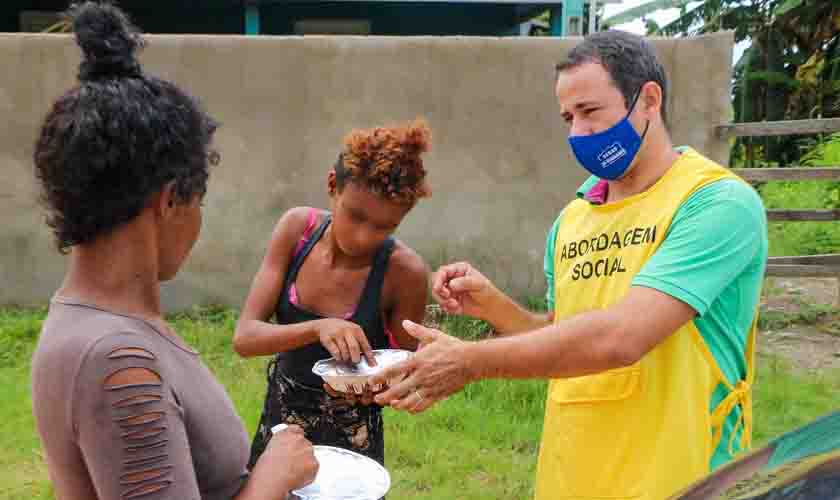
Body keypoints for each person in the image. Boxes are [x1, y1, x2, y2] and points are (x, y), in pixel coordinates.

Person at [373, 30, 769, 500]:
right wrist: (495, 306)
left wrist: (470, 362)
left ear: (648, 100)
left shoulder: (715, 204)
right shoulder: (574, 219)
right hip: (573, 477)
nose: (577, 133)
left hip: (681, 481)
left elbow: (622, 338)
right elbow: (564, 333)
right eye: (567, 117)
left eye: (590, 111)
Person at [30, 3, 317, 499]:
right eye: (198, 201)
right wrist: (274, 476)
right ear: (169, 200)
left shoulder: (97, 325)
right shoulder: (117, 360)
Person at [234, 120, 431, 468]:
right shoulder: (298, 231)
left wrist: (383, 388)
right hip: (282, 423)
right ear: (332, 186)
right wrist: (317, 328)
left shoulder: (405, 273)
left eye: (383, 227)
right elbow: (245, 337)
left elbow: (402, 372)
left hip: (352, 442)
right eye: (354, 216)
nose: (362, 237)